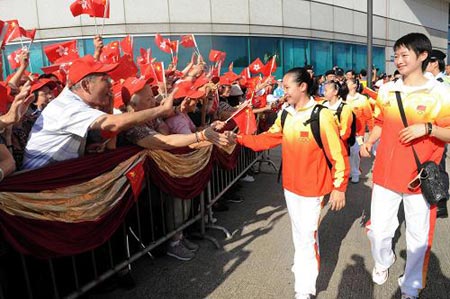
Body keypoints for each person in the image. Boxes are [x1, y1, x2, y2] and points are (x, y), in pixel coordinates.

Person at [228, 67, 349, 299]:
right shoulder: (286, 113)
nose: (283, 92)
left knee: (306, 236)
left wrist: (339, 188)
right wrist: (239, 138)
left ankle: (304, 289)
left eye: (286, 87)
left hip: (313, 188)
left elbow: (338, 154)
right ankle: (303, 265)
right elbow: (267, 139)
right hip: (290, 187)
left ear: (302, 86)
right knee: (301, 234)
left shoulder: (321, 115)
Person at [360, 32, 450, 299]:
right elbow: (379, 122)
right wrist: (368, 142)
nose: (398, 60)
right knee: (378, 231)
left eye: (404, 54)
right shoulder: (387, 90)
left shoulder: (440, 93)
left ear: (423, 56)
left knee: (418, 236)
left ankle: (411, 285)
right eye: (396, 55)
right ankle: (383, 260)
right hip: (386, 175)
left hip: (419, 178)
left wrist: (428, 127)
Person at [22, 55, 176, 170]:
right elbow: (115, 123)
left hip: (54, 178)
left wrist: (108, 112)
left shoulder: (75, 103)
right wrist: (161, 110)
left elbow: (111, 131)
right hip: (39, 182)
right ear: (86, 85)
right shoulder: (67, 107)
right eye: (105, 80)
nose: (111, 86)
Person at [425, 49, 450, 219]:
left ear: (435, 63)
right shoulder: (431, 81)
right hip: (428, 129)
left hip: (439, 129)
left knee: (439, 164)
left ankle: (441, 203)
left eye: (428, 61)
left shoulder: (443, 82)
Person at [346, 78, 374, 183]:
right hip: (346, 132)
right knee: (347, 153)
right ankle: (348, 172)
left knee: (355, 153)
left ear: (354, 85)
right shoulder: (344, 98)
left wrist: (371, 131)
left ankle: (355, 173)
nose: (346, 84)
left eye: (348, 82)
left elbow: (369, 116)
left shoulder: (362, 99)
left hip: (358, 132)